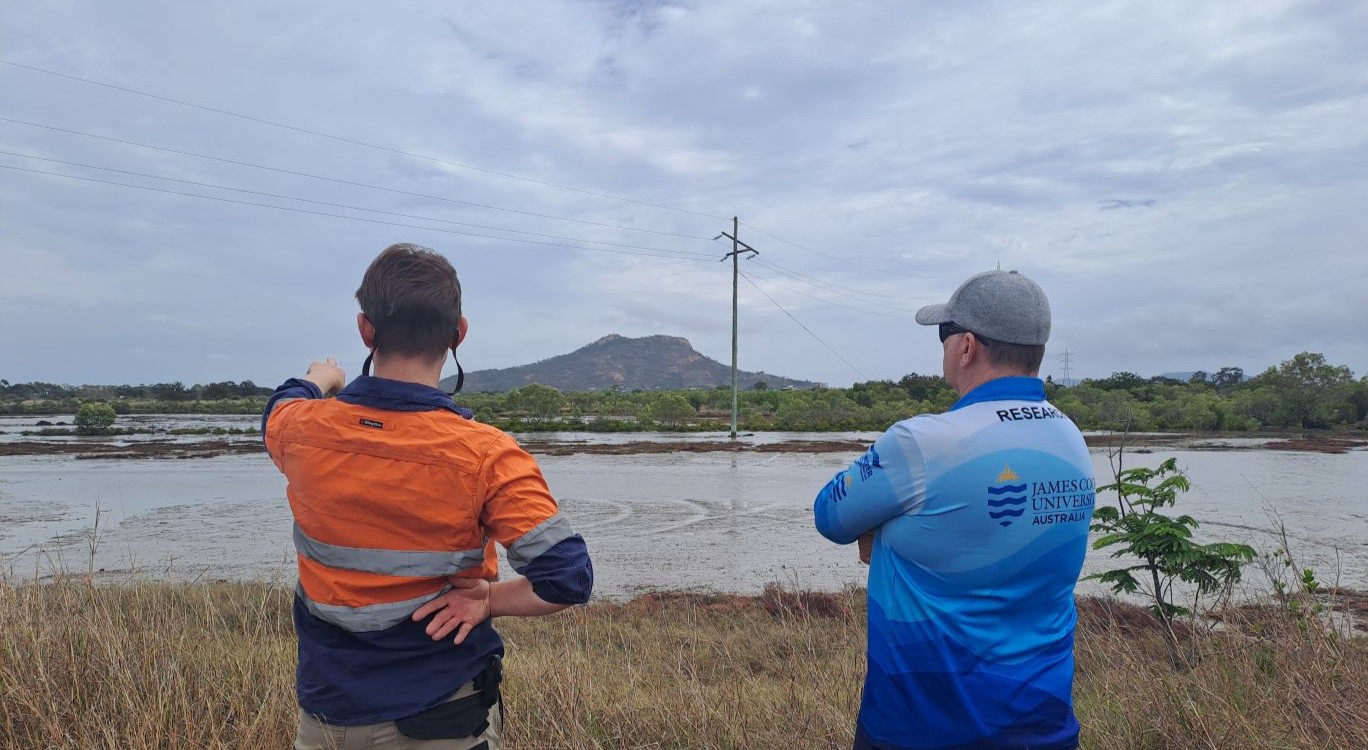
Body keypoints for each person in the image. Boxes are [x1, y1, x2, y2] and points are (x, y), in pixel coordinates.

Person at [263, 243, 593, 750]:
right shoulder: (487, 454)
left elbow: (278, 408)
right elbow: (568, 578)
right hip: (441, 717)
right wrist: (487, 603)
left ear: (365, 330)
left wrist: (319, 378)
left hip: (325, 719)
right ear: (459, 333)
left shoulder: (301, 431)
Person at [814, 269, 1095, 750]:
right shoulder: (1070, 437)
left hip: (920, 727)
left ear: (966, 347)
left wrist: (882, 534)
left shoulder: (921, 442)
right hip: (1043, 724)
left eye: (943, 336)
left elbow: (831, 517)